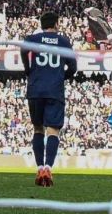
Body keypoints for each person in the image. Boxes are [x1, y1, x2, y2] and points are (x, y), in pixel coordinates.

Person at [20, 11, 77, 187]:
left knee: (38, 129)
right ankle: (48, 168)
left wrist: (28, 69)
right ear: (57, 24)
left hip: (35, 89)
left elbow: (23, 49)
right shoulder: (63, 41)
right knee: (53, 130)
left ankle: (39, 168)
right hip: (55, 91)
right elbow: (73, 67)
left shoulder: (32, 39)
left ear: (42, 24)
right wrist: (61, 76)